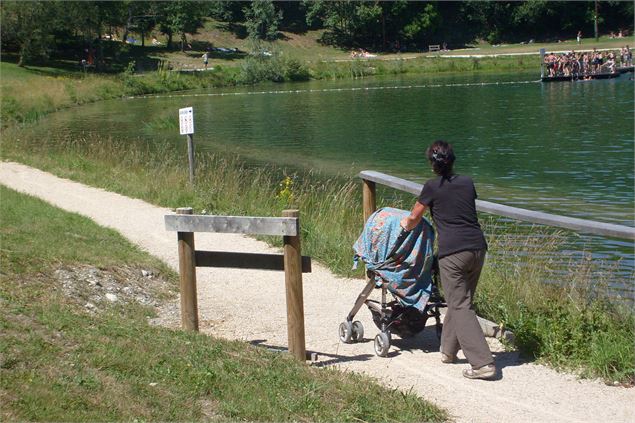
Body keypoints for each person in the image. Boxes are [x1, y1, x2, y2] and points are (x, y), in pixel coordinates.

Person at [400, 140, 495, 380]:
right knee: (460, 300)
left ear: (432, 164)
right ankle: (449, 351)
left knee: (460, 305)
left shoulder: (431, 187)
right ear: (452, 160)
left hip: (453, 253)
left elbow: (414, 217)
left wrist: (405, 225)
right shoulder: (467, 182)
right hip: (477, 248)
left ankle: (482, 363)